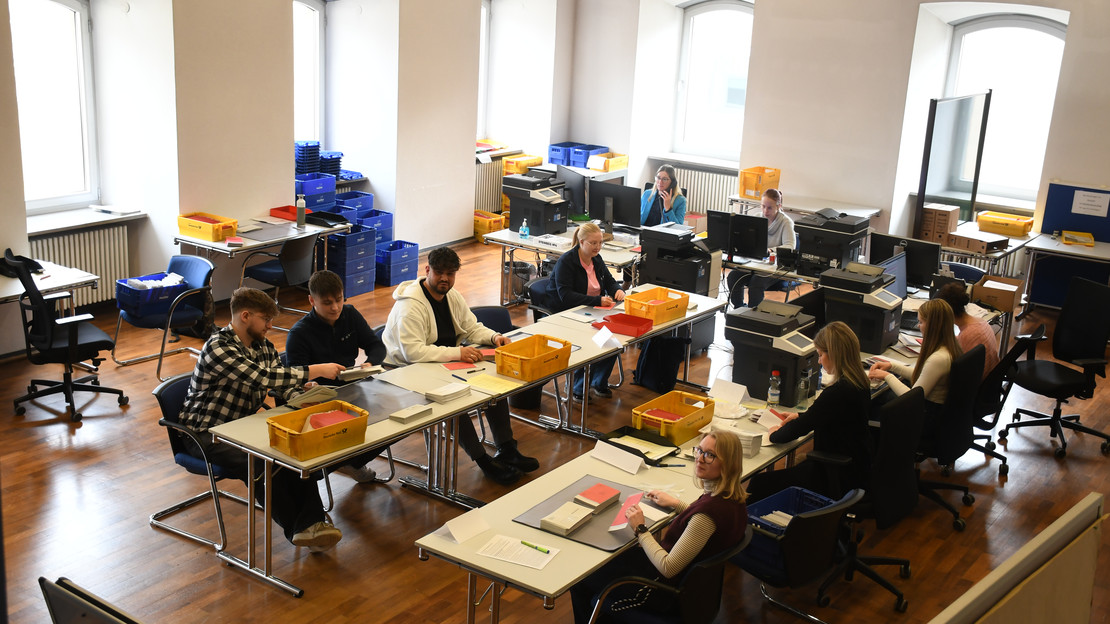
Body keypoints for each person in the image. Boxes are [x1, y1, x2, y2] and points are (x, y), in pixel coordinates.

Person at [179, 287, 347, 551]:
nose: (270, 325)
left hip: (243, 427)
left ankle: (312, 525)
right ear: (246, 316)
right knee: (262, 460)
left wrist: (302, 393)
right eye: (266, 319)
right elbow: (261, 378)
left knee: (291, 450)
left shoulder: (263, 346)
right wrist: (315, 370)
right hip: (204, 434)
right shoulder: (218, 346)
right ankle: (301, 528)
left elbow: (279, 384)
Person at [381, 246, 538, 485]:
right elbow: (412, 353)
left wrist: (494, 337)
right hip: (405, 371)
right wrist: (458, 352)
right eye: (439, 272)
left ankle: (507, 448)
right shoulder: (410, 306)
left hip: (442, 363)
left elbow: (471, 327)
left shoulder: (451, 295)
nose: (445, 278)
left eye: (450, 273)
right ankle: (483, 461)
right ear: (427, 270)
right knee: (455, 400)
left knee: (494, 385)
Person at [570, 431, 749, 623]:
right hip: (692, 590)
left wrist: (640, 529)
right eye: (699, 451)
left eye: (710, 455)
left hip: (661, 590)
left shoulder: (706, 515)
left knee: (581, 578)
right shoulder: (732, 499)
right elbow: (702, 528)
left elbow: (668, 567)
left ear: (728, 463)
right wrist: (676, 503)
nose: (700, 459)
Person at [745, 321, 873, 502]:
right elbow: (829, 415)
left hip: (835, 474)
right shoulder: (860, 382)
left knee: (759, 484)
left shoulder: (837, 392)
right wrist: (799, 415)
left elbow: (797, 430)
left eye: (821, 355)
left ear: (834, 354)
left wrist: (774, 434)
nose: (819, 361)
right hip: (856, 467)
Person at [286, 269, 389, 483]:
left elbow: (376, 345)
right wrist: (311, 383)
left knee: (391, 421)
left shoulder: (349, 314)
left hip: (352, 387)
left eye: (339, 300)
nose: (335, 308)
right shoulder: (299, 333)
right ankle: (344, 461)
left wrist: (370, 363)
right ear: (311, 301)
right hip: (319, 399)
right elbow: (295, 375)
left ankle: (351, 462)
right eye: (327, 303)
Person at [544, 222, 625, 399]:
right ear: (581, 242)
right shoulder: (567, 261)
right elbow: (565, 295)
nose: (598, 247)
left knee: (612, 341)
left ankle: (598, 381)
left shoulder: (597, 259)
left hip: (592, 310)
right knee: (589, 344)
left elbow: (610, 281)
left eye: (600, 242)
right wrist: (597, 300)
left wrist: (617, 290)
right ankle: (577, 388)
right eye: (593, 243)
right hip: (568, 313)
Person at [869, 298, 962, 417]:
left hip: (926, 415)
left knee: (874, 400)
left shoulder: (938, 358)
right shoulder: (950, 346)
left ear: (933, 326)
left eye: (921, 322)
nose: (918, 326)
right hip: (935, 410)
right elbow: (924, 375)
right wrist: (892, 366)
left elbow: (914, 397)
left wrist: (887, 376)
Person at [727, 188, 797, 309]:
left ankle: (753, 314)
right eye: (763, 206)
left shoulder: (786, 222)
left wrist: (771, 250)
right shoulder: (757, 218)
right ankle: (739, 310)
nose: (765, 211)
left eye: (769, 208)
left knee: (756, 283)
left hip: (774, 267)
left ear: (778, 206)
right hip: (755, 263)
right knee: (733, 277)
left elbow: (790, 246)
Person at [935, 281, 999, 380]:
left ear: (947, 312)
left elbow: (953, 371)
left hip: (974, 389)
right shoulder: (980, 322)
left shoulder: (968, 334)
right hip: (989, 385)